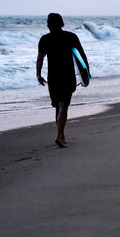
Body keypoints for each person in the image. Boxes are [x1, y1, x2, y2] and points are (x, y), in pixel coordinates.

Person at [36, 13, 89, 148]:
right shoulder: (71, 37)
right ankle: (60, 135)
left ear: (53, 24)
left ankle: (61, 134)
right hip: (67, 75)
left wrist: (38, 74)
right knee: (63, 105)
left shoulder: (45, 39)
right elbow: (81, 56)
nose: (47, 24)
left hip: (53, 77)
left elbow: (40, 59)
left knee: (58, 106)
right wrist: (86, 72)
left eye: (48, 22)